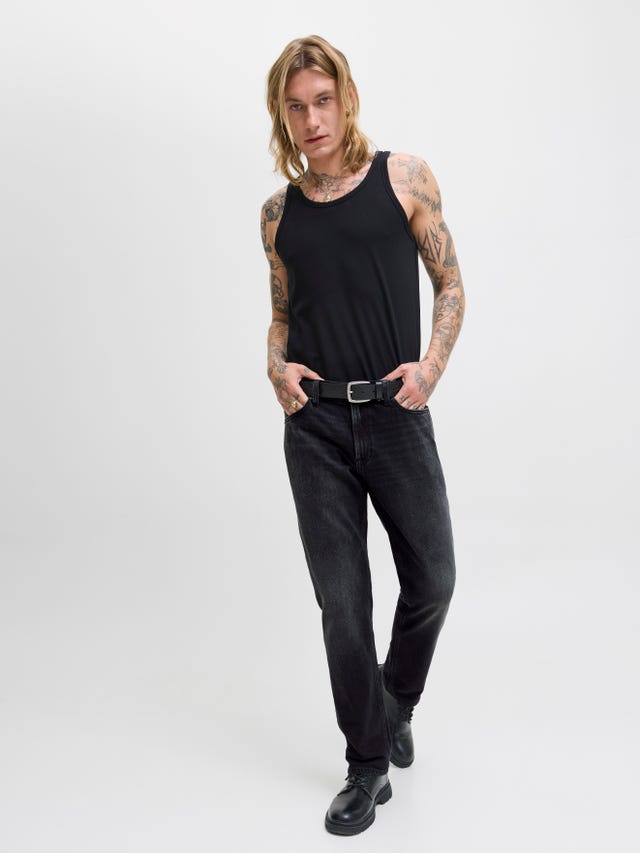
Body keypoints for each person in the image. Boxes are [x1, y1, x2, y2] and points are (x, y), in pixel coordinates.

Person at [260, 34, 465, 836]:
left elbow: (450, 283)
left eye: (323, 100)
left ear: (345, 99)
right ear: (282, 115)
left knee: (435, 578)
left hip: (395, 411)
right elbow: (281, 313)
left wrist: (431, 368)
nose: (312, 119)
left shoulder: (404, 177)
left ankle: (396, 698)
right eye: (296, 106)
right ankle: (366, 762)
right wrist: (274, 365)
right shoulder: (277, 214)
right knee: (343, 603)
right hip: (314, 425)